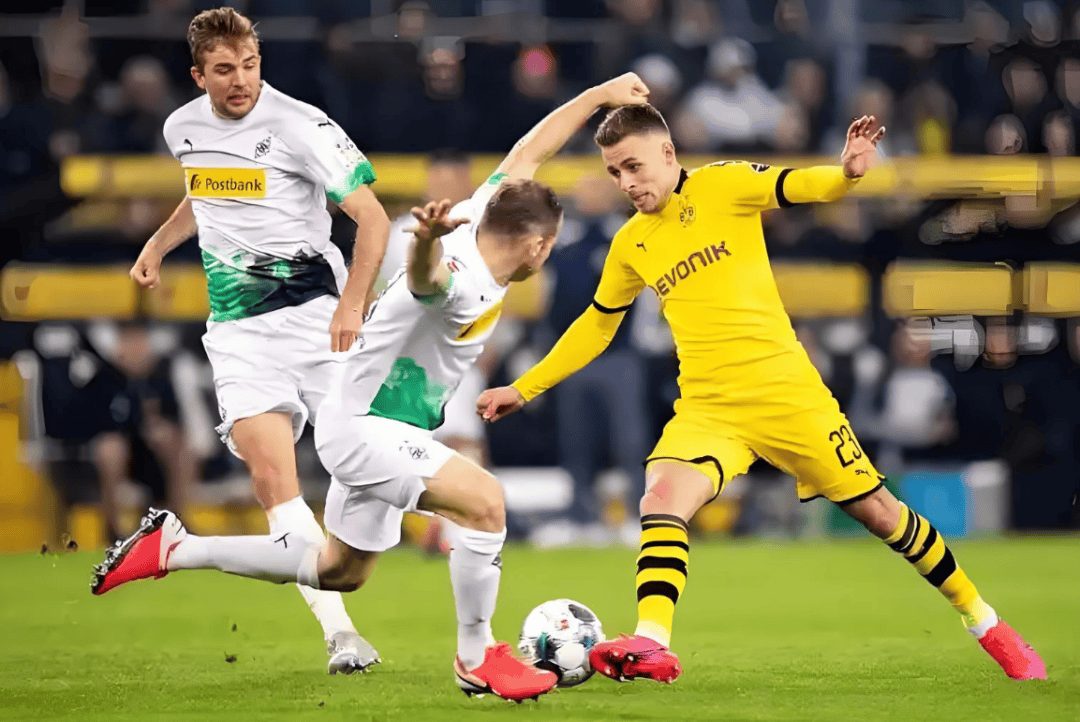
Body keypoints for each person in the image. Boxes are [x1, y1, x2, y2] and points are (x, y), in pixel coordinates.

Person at [90, 73, 653, 701]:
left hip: (374, 423)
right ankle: (477, 657)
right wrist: (425, 245)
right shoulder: (462, 275)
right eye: (548, 246)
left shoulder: (481, 212)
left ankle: (175, 549)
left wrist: (598, 96)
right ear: (538, 245)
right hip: (364, 429)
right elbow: (429, 281)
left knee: (340, 571)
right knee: (486, 504)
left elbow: (530, 149)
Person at [478, 104, 1047, 683]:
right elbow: (597, 326)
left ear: (667, 154)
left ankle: (986, 622)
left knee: (881, 515)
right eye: (614, 172)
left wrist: (846, 174)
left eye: (633, 166)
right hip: (708, 407)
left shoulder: (723, 184)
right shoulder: (631, 243)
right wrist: (525, 387)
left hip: (786, 395)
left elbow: (797, 185)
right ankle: (652, 641)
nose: (626, 182)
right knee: (660, 500)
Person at [120, 8, 390, 675]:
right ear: (198, 75)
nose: (239, 81)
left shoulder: (300, 125)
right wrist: (158, 243)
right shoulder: (181, 128)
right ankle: (341, 636)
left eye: (249, 66)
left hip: (318, 321)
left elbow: (373, 219)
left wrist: (352, 304)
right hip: (240, 335)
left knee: (371, 466)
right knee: (274, 482)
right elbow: (204, 192)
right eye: (223, 70)